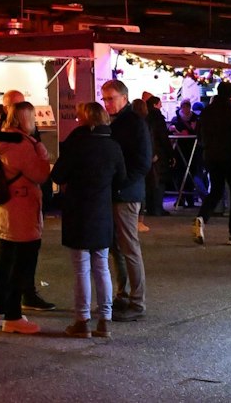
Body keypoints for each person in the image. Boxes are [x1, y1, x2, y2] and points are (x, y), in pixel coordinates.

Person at [49, 101, 125, 338]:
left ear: (84, 120)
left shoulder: (77, 145)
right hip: (102, 211)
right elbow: (121, 178)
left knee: (81, 268)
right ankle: (105, 319)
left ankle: (82, 320)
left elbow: (58, 174)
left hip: (78, 210)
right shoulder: (113, 147)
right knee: (101, 265)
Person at [0, 100, 53, 333]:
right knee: (22, 260)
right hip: (22, 206)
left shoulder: (0, 138)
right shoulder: (22, 144)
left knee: (5, 258)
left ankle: (0, 311)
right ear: (26, 119)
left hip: (5, 205)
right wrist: (43, 155)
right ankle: (14, 316)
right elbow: (40, 174)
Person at [100, 79, 150, 320]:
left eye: (110, 98)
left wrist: (122, 182)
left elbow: (142, 162)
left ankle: (137, 302)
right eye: (104, 99)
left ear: (123, 97)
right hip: (115, 191)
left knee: (129, 247)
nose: (107, 103)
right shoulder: (116, 122)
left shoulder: (134, 123)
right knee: (116, 247)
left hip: (125, 193)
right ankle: (122, 294)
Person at [193, 81, 231, 246]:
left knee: (216, 190)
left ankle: (202, 217)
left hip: (211, 156)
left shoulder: (207, 111)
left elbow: (199, 135)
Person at [140, 93, 172, 218]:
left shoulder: (144, 117)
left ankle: (151, 207)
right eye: (160, 103)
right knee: (159, 181)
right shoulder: (158, 118)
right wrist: (170, 153)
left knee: (150, 181)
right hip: (159, 153)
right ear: (155, 104)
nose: (161, 105)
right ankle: (157, 208)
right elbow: (162, 137)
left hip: (149, 152)